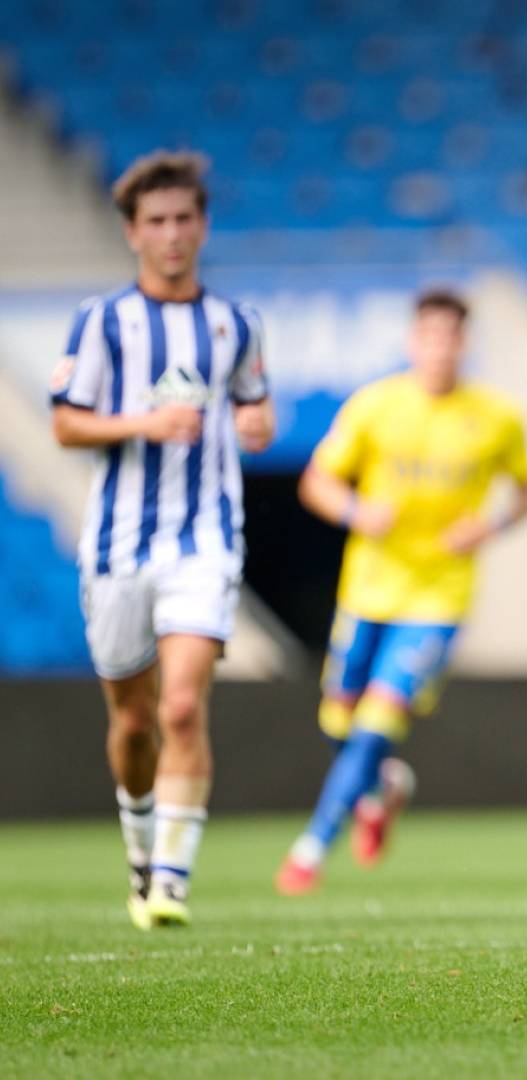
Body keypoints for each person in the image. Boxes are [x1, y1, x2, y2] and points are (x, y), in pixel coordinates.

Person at [48, 150, 275, 929]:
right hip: (117, 547)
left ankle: (170, 883)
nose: (172, 233)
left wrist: (256, 423)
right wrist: (142, 422)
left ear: (202, 227)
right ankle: (142, 848)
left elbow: (255, 407)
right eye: (157, 221)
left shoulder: (236, 323)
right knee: (134, 720)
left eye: (184, 218)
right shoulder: (103, 320)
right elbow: (65, 423)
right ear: (132, 232)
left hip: (204, 540)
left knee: (180, 706)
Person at [274, 289, 527, 894]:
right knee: (338, 719)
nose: (440, 348)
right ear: (412, 341)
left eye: (451, 337)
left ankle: (311, 849)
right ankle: (379, 790)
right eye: (430, 336)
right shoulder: (375, 406)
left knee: (377, 720)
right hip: (369, 588)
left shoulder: (498, 416)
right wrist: (356, 511)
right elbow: (316, 482)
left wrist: (488, 525)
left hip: (438, 597)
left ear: (465, 343)